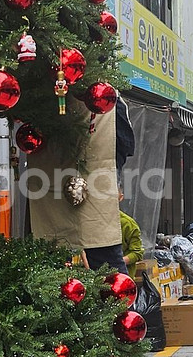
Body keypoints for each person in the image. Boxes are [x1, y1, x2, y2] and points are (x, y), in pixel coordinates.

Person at [27, 97, 136, 271]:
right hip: (98, 181)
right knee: (106, 261)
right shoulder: (107, 98)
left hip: (49, 181)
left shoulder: (39, 97)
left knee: (50, 257)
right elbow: (126, 147)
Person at [118, 189, 144, 277]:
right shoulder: (92, 222)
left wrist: (118, 262)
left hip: (122, 278)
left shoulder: (128, 224)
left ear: (120, 197)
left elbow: (137, 253)